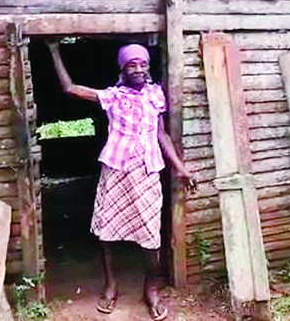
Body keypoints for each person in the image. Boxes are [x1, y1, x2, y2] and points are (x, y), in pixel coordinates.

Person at [46, 40, 196, 321]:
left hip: (148, 172)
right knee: (108, 233)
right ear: (122, 68)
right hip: (115, 171)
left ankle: (150, 290)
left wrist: (180, 168)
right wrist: (54, 50)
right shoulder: (113, 96)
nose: (138, 69)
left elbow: (161, 135)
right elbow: (71, 89)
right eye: (132, 64)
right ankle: (111, 286)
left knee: (151, 236)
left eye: (143, 64)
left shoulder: (156, 95)